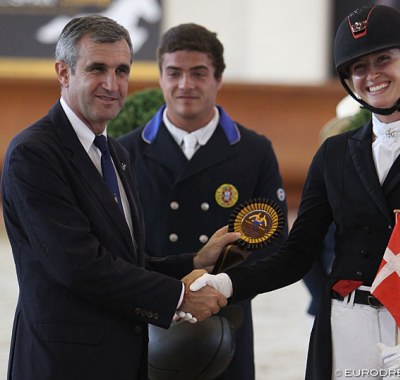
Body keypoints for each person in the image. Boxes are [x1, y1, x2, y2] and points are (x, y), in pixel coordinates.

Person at [190, 5, 400, 380]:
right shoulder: (334, 154)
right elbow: (297, 255)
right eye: (358, 67)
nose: (371, 75)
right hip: (346, 325)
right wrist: (226, 283)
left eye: (383, 60)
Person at [1, 15, 239, 380]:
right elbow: (78, 265)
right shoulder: (34, 153)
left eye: (122, 70)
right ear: (63, 73)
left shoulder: (116, 154)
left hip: (123, 360)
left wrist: (193, 260)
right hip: (62, 365)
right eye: (97, 68)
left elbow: (122, 259)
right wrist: (179, 295)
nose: (112, 84)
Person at [119, 23, 288, 379]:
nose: (185, 84)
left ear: (218, 79)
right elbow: (117, 248)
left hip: (227, 321)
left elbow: (274, 245)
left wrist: (223, 290)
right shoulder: (125, 152)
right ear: (161, 77)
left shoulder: (254, 151)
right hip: (150, 321)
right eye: (174, 73)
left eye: (198, 73)